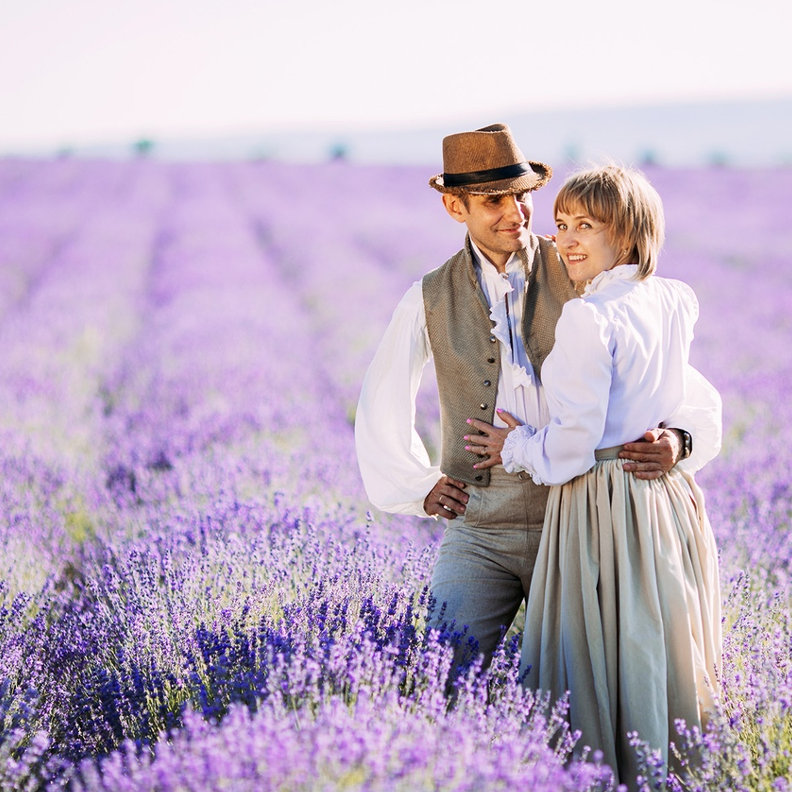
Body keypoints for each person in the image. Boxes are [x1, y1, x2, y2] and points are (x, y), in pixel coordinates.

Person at [354, 124, 721, 673]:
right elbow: (382, 394)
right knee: (439, 670)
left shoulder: (580, 266)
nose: (516, 214)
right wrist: (418, 484)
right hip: (481, 520)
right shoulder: (429, 296)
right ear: (456, 207)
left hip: (576, 514)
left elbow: (662, 366)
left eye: (523, 197)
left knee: (579, 683)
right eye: (493, 201)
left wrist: (680, 436)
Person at [466, 164, 721, 788]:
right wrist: (679, 440)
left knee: (597, 649)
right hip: (665, 499)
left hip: (602, 499)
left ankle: (602, 772)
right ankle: (670, 769)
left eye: (588, 225)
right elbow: (686, 396)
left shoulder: (588, 317)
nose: (568, 240)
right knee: (657, 639)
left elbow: (576, 446)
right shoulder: (673, 298)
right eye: (560, 225)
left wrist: (515, 446)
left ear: (628, 237)